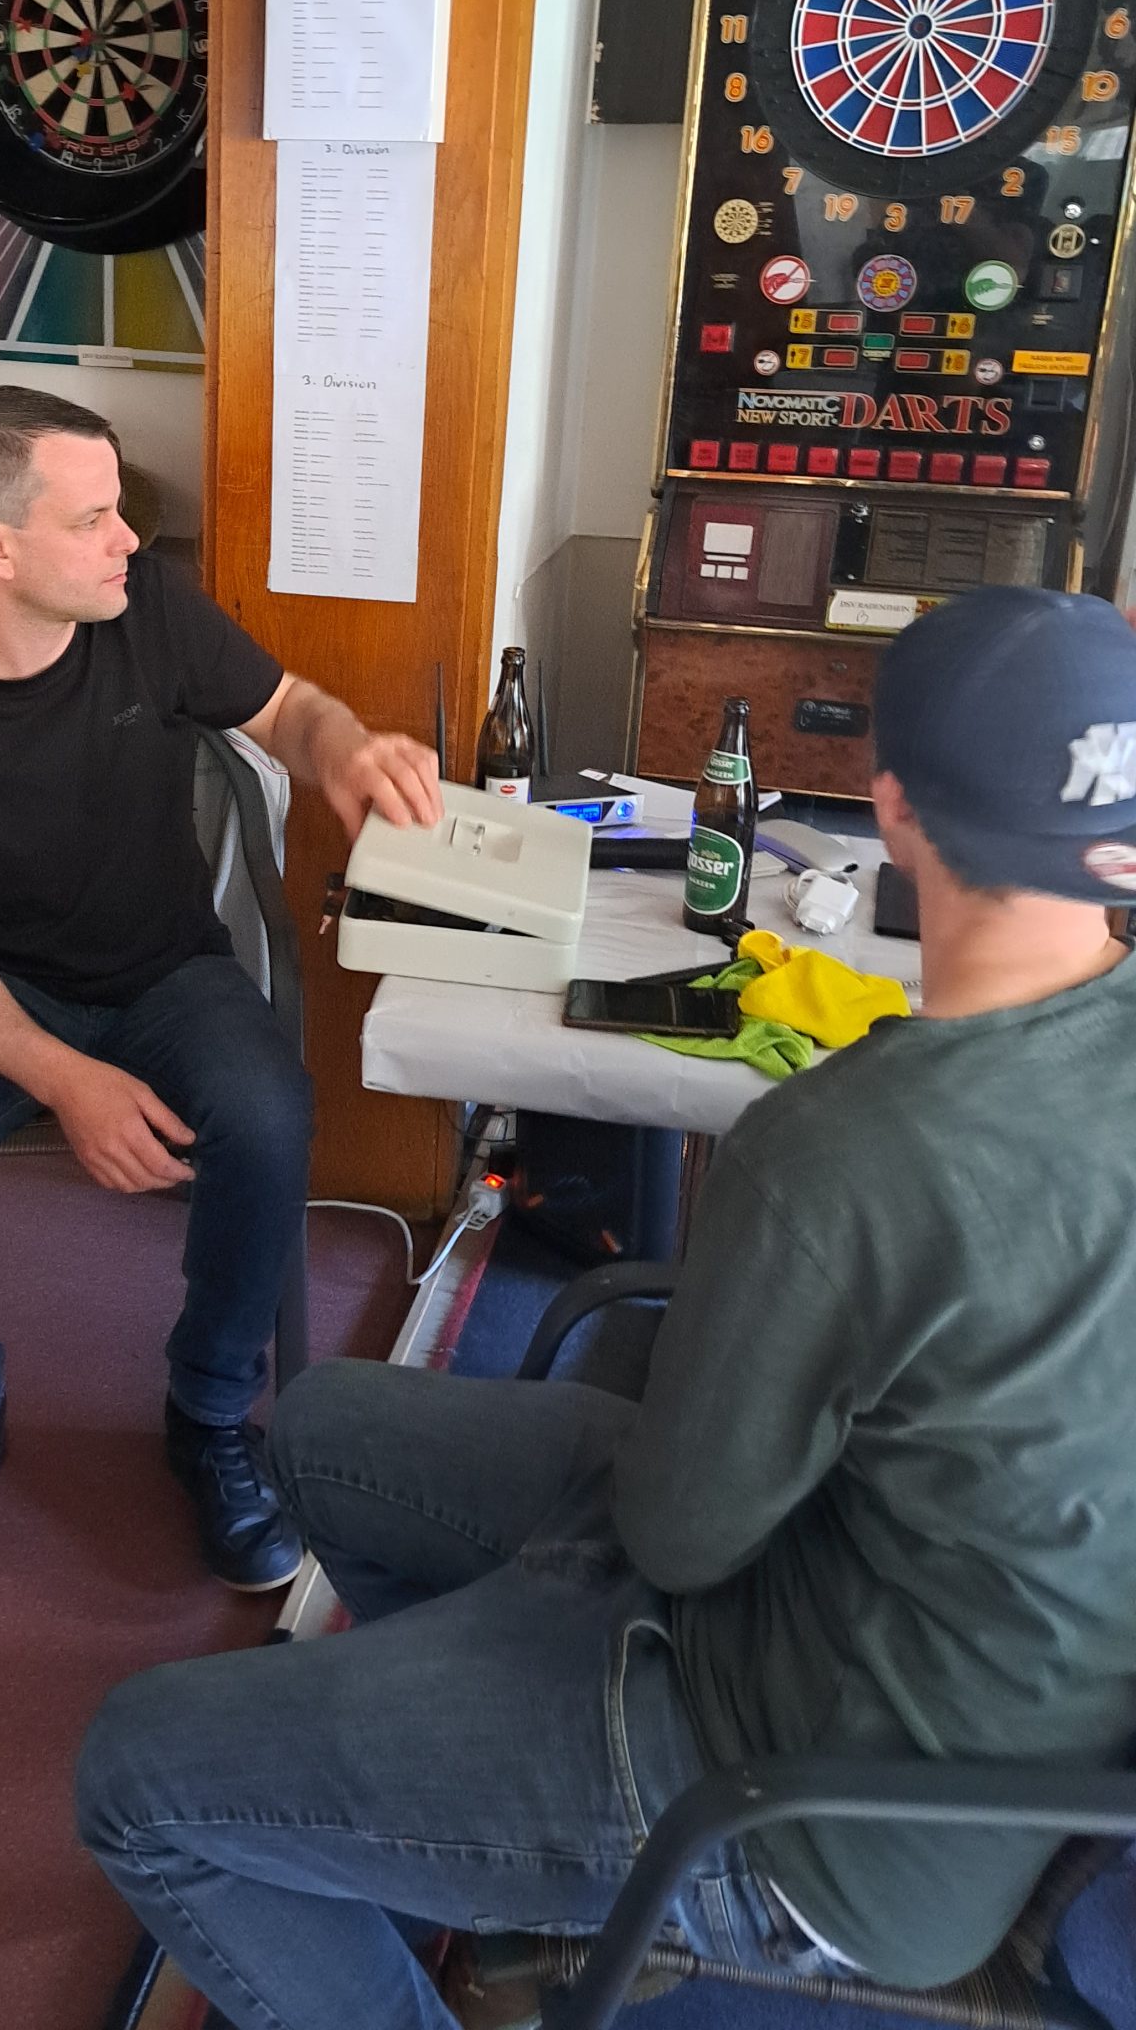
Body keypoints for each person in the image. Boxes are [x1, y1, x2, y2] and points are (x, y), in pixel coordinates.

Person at [77, 582, 1136, 2030]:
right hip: (884, 1611)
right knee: (321, 1429)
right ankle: (469, 1849)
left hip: (811, 1808)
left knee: (134, 1773)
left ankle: (512, 1839)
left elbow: (682, 1534)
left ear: (889, 808)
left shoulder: (838, 1153)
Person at [0, 385, 442, 1604]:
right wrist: (70, 1081)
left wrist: (345, 747)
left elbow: (289, 711)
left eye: (121, 512)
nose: (128, 540)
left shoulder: (145, 607)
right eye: (93, 519)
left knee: (268, 1114)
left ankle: (211, 1414)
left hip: (166, 969)